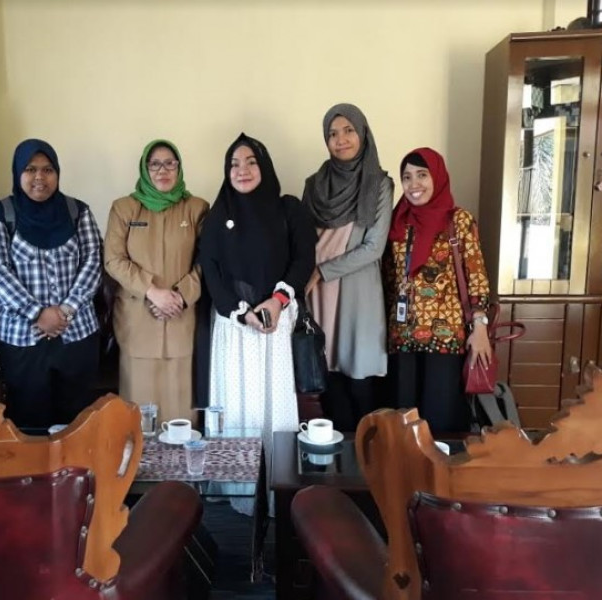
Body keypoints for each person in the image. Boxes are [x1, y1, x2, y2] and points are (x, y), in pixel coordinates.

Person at [199, 133, 316, 513]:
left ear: (263, 166)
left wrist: (277, 301)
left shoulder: (288, 209)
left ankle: (277, 490)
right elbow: (210, 270)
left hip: (275, 325)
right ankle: (239, 490)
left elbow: (303, 260)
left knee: (273, 408)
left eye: (251, 162)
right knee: (237, 408)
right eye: (234, 164)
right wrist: (239, 311)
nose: (242, 170)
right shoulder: (217, 216)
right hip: (233, 328)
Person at [0, 139, 102, 430]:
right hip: (23, 340)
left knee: (77, 421)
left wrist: (66, 310)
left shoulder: (77, 211)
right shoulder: (0, 214)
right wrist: (38, 313)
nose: (39, 177)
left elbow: (93, 261)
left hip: (77, 335)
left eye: (48, 169)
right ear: (17, 172)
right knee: (28, 421)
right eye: (30, 169)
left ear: (57, 173)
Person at [383, 147, 491, 432]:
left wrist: (480, 327)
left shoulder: (458, 220)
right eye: (407, 177)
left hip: (445, 340)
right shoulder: (397, 223)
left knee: (441, 423)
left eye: (422, 175)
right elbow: (388, 279)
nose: (413, 184)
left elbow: (477, 277)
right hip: (403, 339)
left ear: (438, 177)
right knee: (404, 425)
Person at [303, 103, 393, 431]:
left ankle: (367, 457)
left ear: (362, 133)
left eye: (348, 131)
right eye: (332, 133)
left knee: (360, 382)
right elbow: (303, 238)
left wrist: (321, 271)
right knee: (329, 383)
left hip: (356, 293)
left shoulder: (379, 184)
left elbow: (373, 248)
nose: (340, 140)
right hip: (318, 294)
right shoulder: (314, 184)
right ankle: (338, 458)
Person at [104, 139, 209, 422]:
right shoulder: (124, 208)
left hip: (181, 319)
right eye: (155, 164)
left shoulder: (197, 208)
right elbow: (113, 259)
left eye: (170, 163)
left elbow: (208, 260)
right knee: (139, 417)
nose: (163, 170)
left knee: (181, 414)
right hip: (138, 320)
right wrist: (152, 291)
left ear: (179, 167)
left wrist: (181, 296)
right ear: (144, 168)